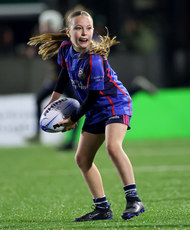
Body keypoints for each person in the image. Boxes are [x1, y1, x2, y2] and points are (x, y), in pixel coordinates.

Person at [28, 10, 145, 221]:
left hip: (115, 104)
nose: (85, 32)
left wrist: (73, 119)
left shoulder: (94, 59)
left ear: (93, 31)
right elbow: (64, 74)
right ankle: (102, 208)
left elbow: (93, 96)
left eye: (88, 28)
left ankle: (133, 199)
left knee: (112, 147)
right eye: (79, 28)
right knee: (82, 159)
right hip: (95, 109)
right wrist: (54, 99)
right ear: (68, 32)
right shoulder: (65, 48)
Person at [26, 9, 80, 150]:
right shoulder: (50, 39)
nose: (42, 28)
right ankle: (38, 134)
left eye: (45, 24)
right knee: (39, 99)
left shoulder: (61, 40)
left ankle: (71, 142)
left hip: (66, 80)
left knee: (76, 108)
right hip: (55, 79)